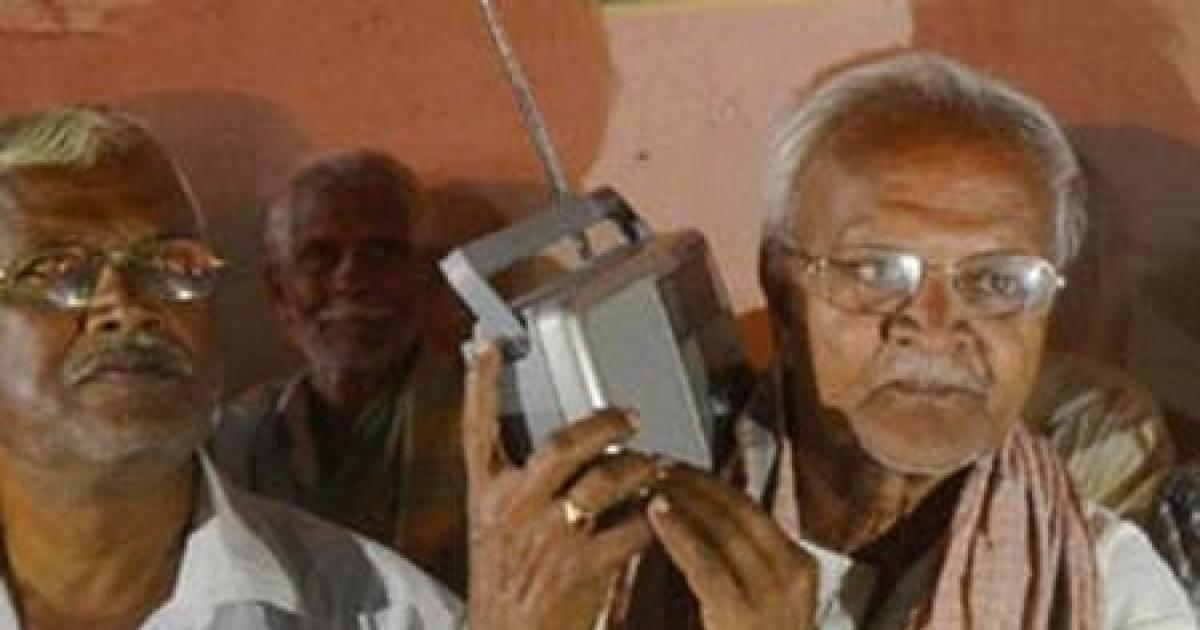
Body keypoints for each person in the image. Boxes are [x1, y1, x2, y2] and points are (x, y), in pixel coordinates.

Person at [461, 53, 1196, 629]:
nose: (936, 321)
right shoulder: (609, 543)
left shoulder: (1101, 587)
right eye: (876, 271)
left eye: (1000, 281)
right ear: (782, 288)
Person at [0, 107, 462, 629]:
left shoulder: (391, 614)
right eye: (55, 270)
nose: (126, 306)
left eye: (169, 264)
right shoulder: (254, 428)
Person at [211, 150, 468, 593]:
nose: (352, 278)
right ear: (279, 292)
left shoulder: (492, 422)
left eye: (382, 253)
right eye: (320, 256)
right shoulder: (235, 439)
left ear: (429, 277)